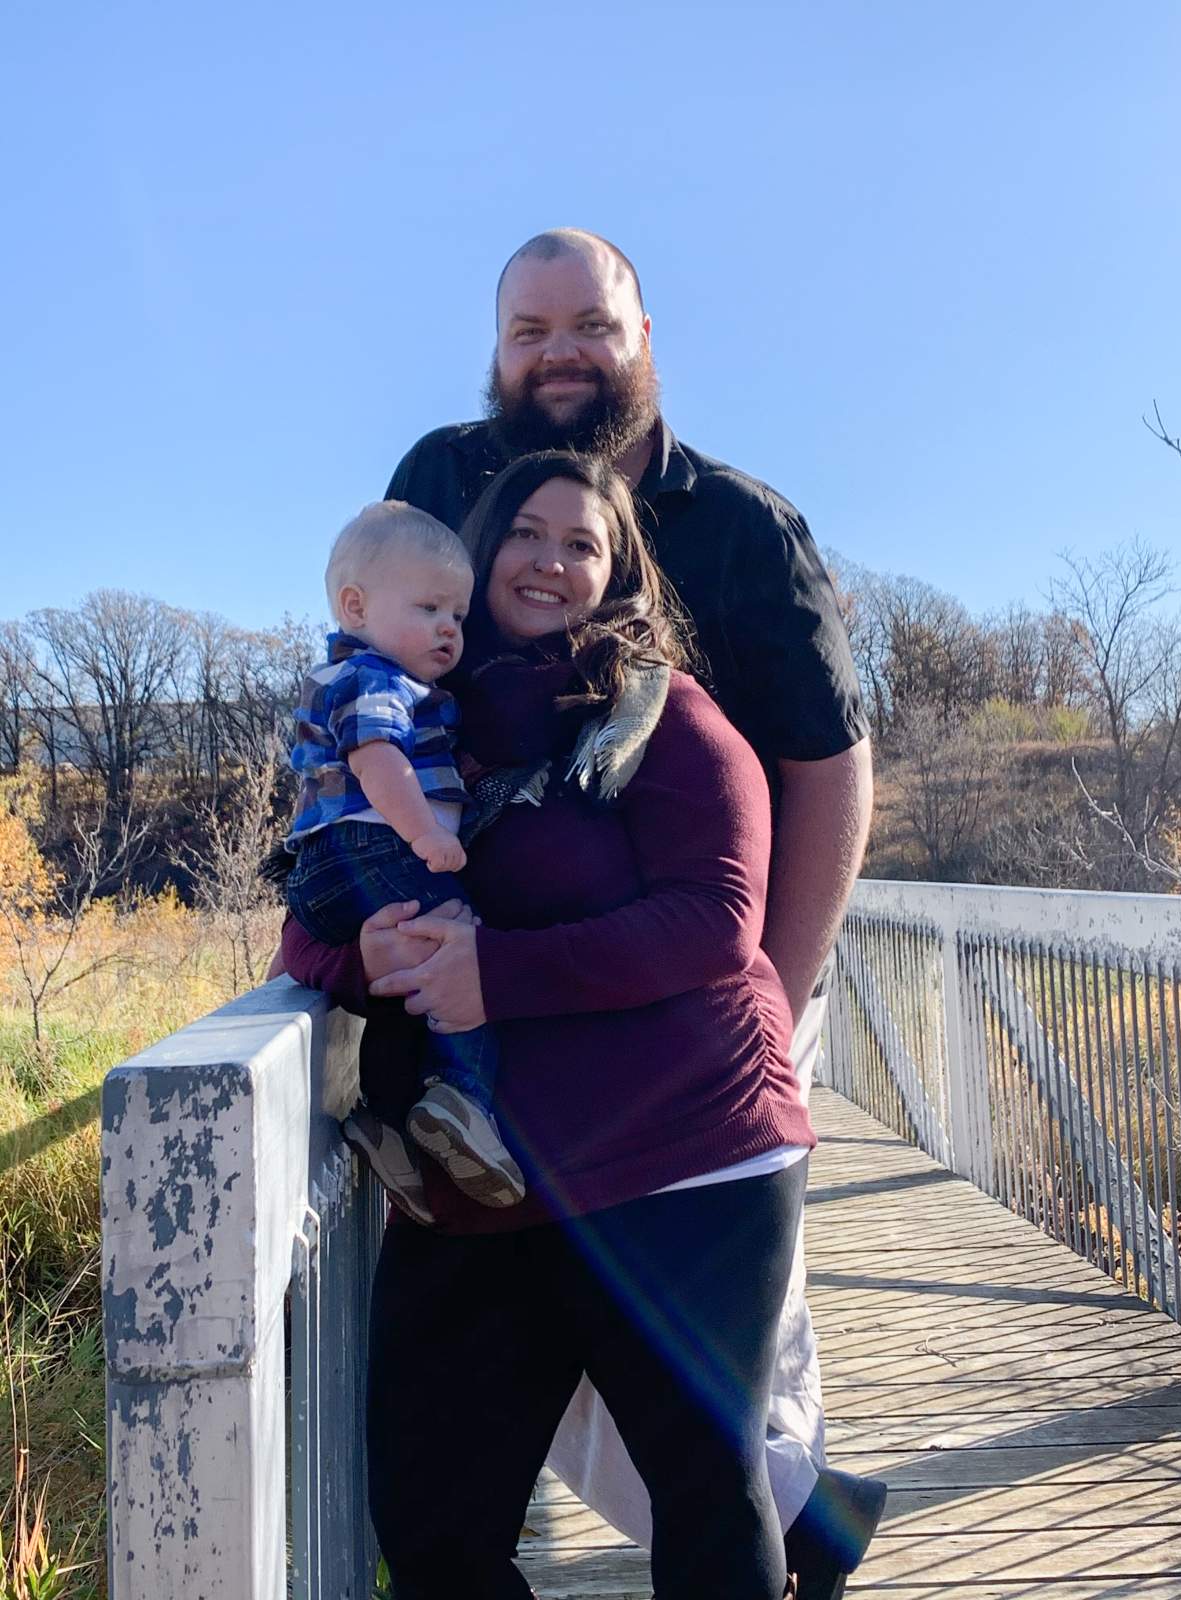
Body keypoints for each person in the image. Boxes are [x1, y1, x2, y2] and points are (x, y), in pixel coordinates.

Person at [374, 227, 884, 1594]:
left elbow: (827, 769)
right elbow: (377, 693)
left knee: (727, 1343)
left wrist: (769, 992)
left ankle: (782, 1543)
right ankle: (800, 1528)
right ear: (497, 350)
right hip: (504, 996)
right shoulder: (440, 481)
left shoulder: (740, 528)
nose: (560, 355)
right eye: (530, 330)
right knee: (558, 1319)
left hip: (717, 974)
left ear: (643, 339)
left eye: (589, 325)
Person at [283, 452, 817, 1599]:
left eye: (584, 542)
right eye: (526, 531)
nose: (551, 559)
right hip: (487, 1172)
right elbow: (312, 901)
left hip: (686, 1151)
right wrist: (352, 957)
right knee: (433, 1518)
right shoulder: (402, 705)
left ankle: (813, 1541)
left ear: (618, 572)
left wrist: (499, 975)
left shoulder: (666, 709)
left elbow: (721, 920)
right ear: (478, 553)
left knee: (708, 1494)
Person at [285, 500, 524, 1213]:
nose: (449, 629)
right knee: (463, 945)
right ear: (355, 606)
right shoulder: (374, 677)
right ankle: (464, 1101)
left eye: (457, 614)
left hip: (332, 867)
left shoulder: (380, 678)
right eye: (429, 608)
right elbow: (376, 757)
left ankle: (385, 1119)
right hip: (373, 844)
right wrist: (425, 835)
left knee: (409, 977)